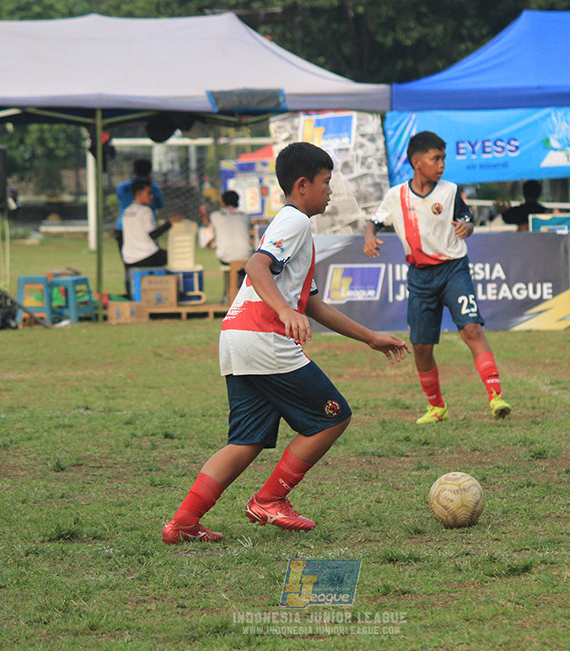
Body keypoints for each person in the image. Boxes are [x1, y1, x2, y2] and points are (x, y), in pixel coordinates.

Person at [162, 142, 410, 544]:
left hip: (237, 337)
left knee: (246, 440)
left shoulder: (295, 227)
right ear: (302, 185)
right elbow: (256, 266)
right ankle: (270, 499)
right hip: (263, 338)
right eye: (326, 182)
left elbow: (311, 302)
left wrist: (370, 338)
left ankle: (182, 523)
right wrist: (283, 311)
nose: (330, 191)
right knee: (333, 416)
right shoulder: (294, 222)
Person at [364, 131, 512, 424]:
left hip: (453, 269)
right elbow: (375, 221)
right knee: (421, 346)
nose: (442, 164)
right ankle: (437, 407)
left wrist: (467, 228)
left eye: (443, 158)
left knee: (471, 330)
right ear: (417, 162)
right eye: (436, 158)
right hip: (419, 278)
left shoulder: (451, 191)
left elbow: (468, 218)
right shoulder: (396, 196)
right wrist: (369, 237)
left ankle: (496, 397)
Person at [121, 180, 172, 298]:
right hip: (146, 256)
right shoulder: (146, 211)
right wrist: (169, 223)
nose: (152, 196)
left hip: (129, 258)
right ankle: (174, 293)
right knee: (175, 258)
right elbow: (153, 234)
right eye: (149, 193)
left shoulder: (126, 212)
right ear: (138, 195)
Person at [209, 190, 254, 296]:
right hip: (246, 255)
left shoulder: (215, 215)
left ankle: (228, 294)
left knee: (230, 264)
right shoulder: (245, 216)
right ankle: (242, 291)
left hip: (225, 256)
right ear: (238, 202)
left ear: (223, 203)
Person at [114, 158, 164, 253]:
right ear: (150, 171)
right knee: (149, 255)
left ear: (134, 170)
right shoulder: (153, 188)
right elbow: (160, 204)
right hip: (146, 229)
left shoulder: (122, 187)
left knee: (129, 259)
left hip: (123, 228)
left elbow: (120, 198)